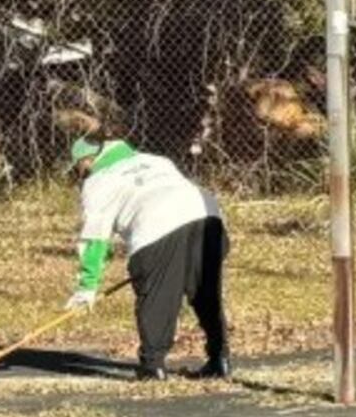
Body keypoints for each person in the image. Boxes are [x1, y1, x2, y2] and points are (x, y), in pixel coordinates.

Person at [65, 126, 232, 381]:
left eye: (80, 166)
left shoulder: (97, 182)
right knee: (205, 293)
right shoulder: (156, 160)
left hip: (156, 225)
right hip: (208, 216)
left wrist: (86, 287)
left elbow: (95, 239)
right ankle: (220, 359)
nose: (81, 171)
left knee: (158, 295)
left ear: (87, 160)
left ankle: (153, 366)